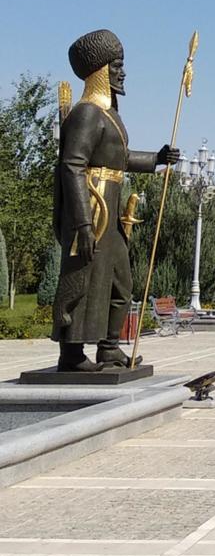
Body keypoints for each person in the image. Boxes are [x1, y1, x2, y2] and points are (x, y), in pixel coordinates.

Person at [51, 29, 179, 372]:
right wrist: (81, 223)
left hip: (110, 205)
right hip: (92, 209)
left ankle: (109, 348)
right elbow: (72, 165)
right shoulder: (86, 113)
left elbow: (117, 158)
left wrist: (157, 158)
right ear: (99, 72)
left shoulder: (109, 116)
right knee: (83, 279)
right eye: (116, 65)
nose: (122, 72)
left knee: (121, 282)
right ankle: (72, 354)